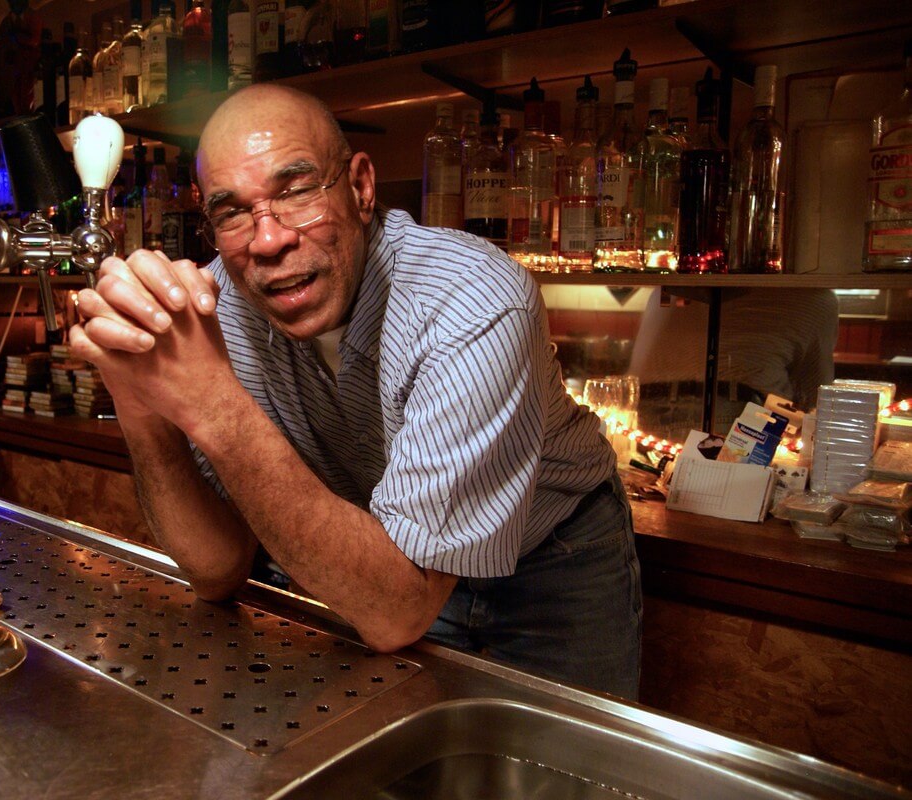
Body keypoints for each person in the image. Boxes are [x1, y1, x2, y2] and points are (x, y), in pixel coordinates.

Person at [70, 85, 643, 699]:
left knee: (570, 782)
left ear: (362, 189)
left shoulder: (472, 300)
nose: (268, 241)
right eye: (233, 211)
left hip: (553, 559)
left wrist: (215, 407)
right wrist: (138, 400)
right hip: (380, 557)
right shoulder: (214, 309)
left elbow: (399, 610)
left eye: (295, 191)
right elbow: (216, 571)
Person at [629, 287, 839, 442]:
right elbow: (816, 394)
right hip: (739, 410)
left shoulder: (668, 290)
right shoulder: (816, 296)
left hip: (644, 408)